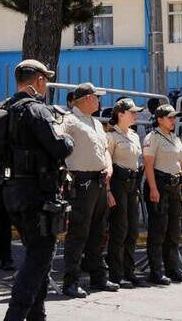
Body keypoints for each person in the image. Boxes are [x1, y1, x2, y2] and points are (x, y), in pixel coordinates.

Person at [1, 59, 74, 321]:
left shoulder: (5, 108)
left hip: (11, 192)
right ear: (40, 80)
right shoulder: (36, 111)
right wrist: (67, 137)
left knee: (36, 253)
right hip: (37, 194)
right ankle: (15, 316)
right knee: (40, 258)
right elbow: (59, 148)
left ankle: (36, 315)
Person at [61, 83, 119, 297]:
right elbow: (57, 147)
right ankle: (71, 281)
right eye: (96, 97)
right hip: (81, 182)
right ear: (86, 99)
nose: (99, 101)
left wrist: (109, 167)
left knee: (98, 232)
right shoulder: (69, 121)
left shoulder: (95, 122)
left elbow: (105, 152)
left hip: (100, 181)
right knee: (78, 233)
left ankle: (98, 276)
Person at [143, 104, 182, 285]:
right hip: (160, 185)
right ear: (159, 119)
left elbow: (180, 166)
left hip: (175, 186)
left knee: (174, 231)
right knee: (158, 230)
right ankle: (156, 271)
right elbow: (148, 165)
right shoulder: (152, 137)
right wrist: (153, 189)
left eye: (174, 117)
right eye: (170, 117)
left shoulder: (175, 138)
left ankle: (173, 269)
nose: (174, 120)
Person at [105, 98, 148, 288]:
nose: (136, 115)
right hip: (117, 185)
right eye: (132, 112)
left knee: (132, 230)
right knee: (119, 230)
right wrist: (108, 191)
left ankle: (129, 271)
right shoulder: (111, 136)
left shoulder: (133, 135)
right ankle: (116, 274)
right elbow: (107, 165)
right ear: (120, 114)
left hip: (132, 184)